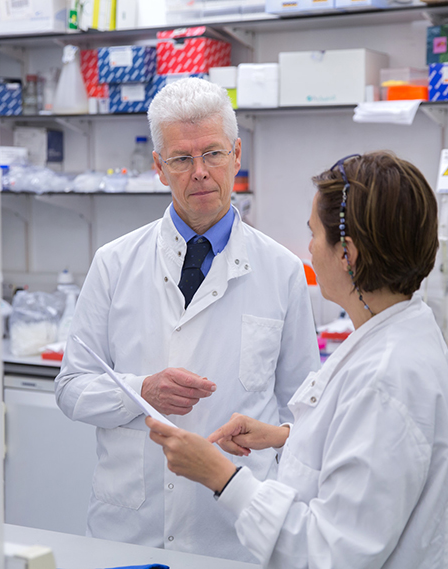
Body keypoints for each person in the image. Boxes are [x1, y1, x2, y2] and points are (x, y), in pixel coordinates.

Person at [146, 151, 448, 568]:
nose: (309, 249)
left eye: (314, 234)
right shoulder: (395, 332)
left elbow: (330, 554)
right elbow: (360, 450)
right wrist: (284, 436)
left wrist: (220, 476)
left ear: (346, 254)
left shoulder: (387, 377)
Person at [55, 77, 320, 562]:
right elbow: (71, 387)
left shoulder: (281, 271)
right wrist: (141, 392)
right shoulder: (114, 263)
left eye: (213, 154)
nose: (199, 172)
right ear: (159, 167)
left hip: (236, 534)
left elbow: (304, 414)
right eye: (181, 159)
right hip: (131, 529)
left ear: (237, 155)